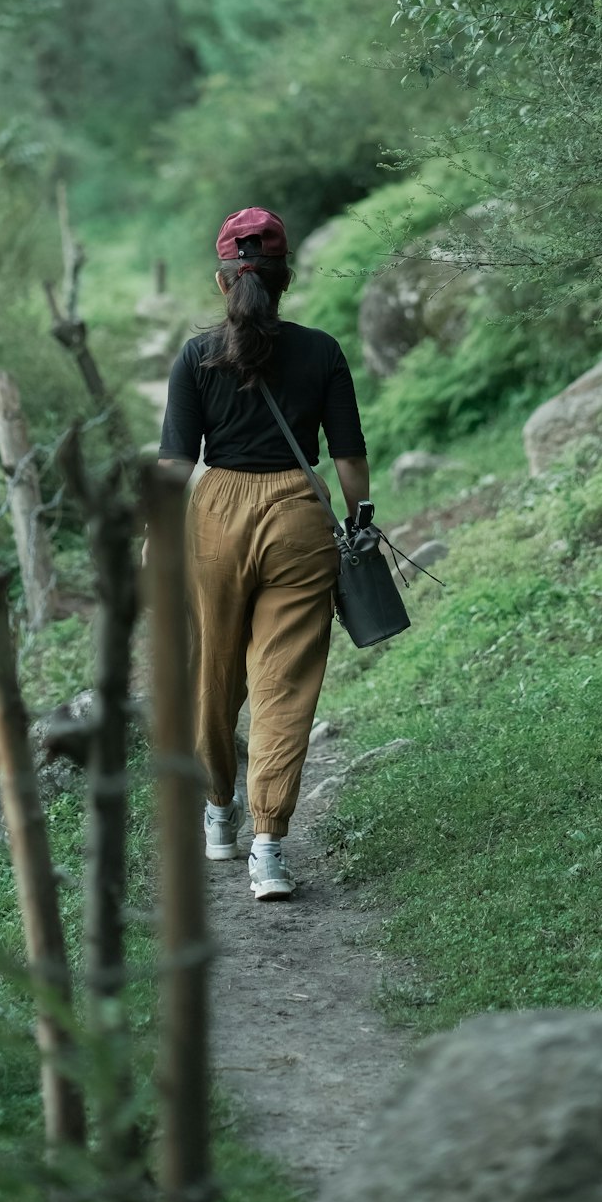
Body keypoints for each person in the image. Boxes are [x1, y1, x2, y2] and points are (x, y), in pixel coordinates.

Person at [157, 205, 370, 900]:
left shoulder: (195, 356)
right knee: (283, 683)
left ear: (224, 283)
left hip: (213, 513)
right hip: (298, 518)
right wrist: (359, 518)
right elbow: (347, 456)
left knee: (210, 671)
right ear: (284, 280)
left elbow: (173, 462)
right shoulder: (322, 350)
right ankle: (269, 848)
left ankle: (217, 812)